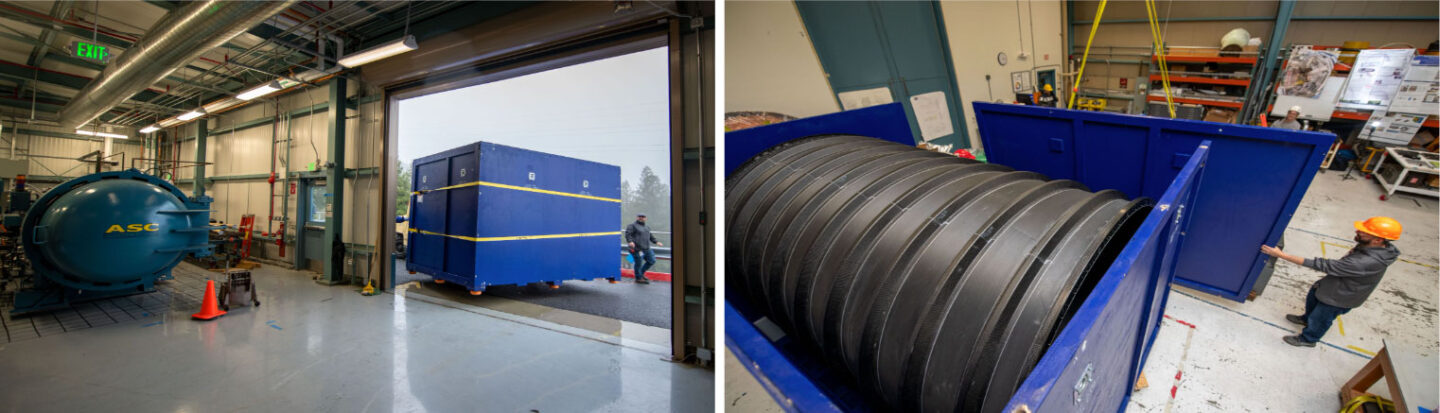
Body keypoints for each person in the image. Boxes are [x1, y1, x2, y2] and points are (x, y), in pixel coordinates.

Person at [1259, 216, 1402, 347]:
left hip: (1340, 296)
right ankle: (1306, 319)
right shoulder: (1379, 247)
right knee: (1313, 299)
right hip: (1334, 284)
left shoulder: (1364, 262)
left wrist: (1281, 255)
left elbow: (1322, 265)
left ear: (1378, 240)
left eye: (1364, 232)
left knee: (1321, 318)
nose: (1358, 231)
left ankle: (1308, 339)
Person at [625, 213, 662, 284]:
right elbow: (628, 234)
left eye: (643, 217)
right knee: (638, 263)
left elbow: (650, 236)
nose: (641, 218)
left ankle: (640, 274)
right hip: (637, 249)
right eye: (640, 217)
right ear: (637, 217)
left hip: (647, 248)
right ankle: (638, 278)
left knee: (652, 261)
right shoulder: (632, 226)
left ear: (645, 218)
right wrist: (630, 241)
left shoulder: (647, 227)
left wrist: (656, 242)